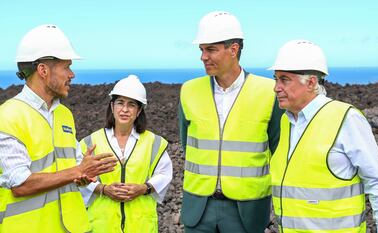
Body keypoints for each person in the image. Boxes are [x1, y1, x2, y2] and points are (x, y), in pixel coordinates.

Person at [268, 40, 378, 233]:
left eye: (284, 79)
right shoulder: (286, 122)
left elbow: (377, 182)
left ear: (311, 82)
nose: (276, 87)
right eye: (276, 79)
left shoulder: (346, 118)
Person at [0, 24, 117, 233]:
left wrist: (84, 174)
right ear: (43, 70)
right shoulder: (8, 116)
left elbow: (69, 169)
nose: (72, 74)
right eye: (66, 67)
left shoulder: (63, 114)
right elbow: (20, 185)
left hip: (72, 227)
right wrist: (78, 170)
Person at [179, 11, 284, 233]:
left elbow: (277, 148)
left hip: (247, 211)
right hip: (198, 208)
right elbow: (186, 143)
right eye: (201, 50)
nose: (203, 57)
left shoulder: (268, 92)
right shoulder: (188, 90)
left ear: (233, 49)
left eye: (211, 49)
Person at [79, 75, 173, 233]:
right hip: (102, 225)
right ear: (112, 106)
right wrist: (103, 189)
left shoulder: (154, 142)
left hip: (141, 226)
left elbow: (164, 175)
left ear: (139, 110)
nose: (124, 109)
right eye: (120, 103)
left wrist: (143, 188)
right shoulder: (90, 142)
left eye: (131, 105)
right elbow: (78, 180)